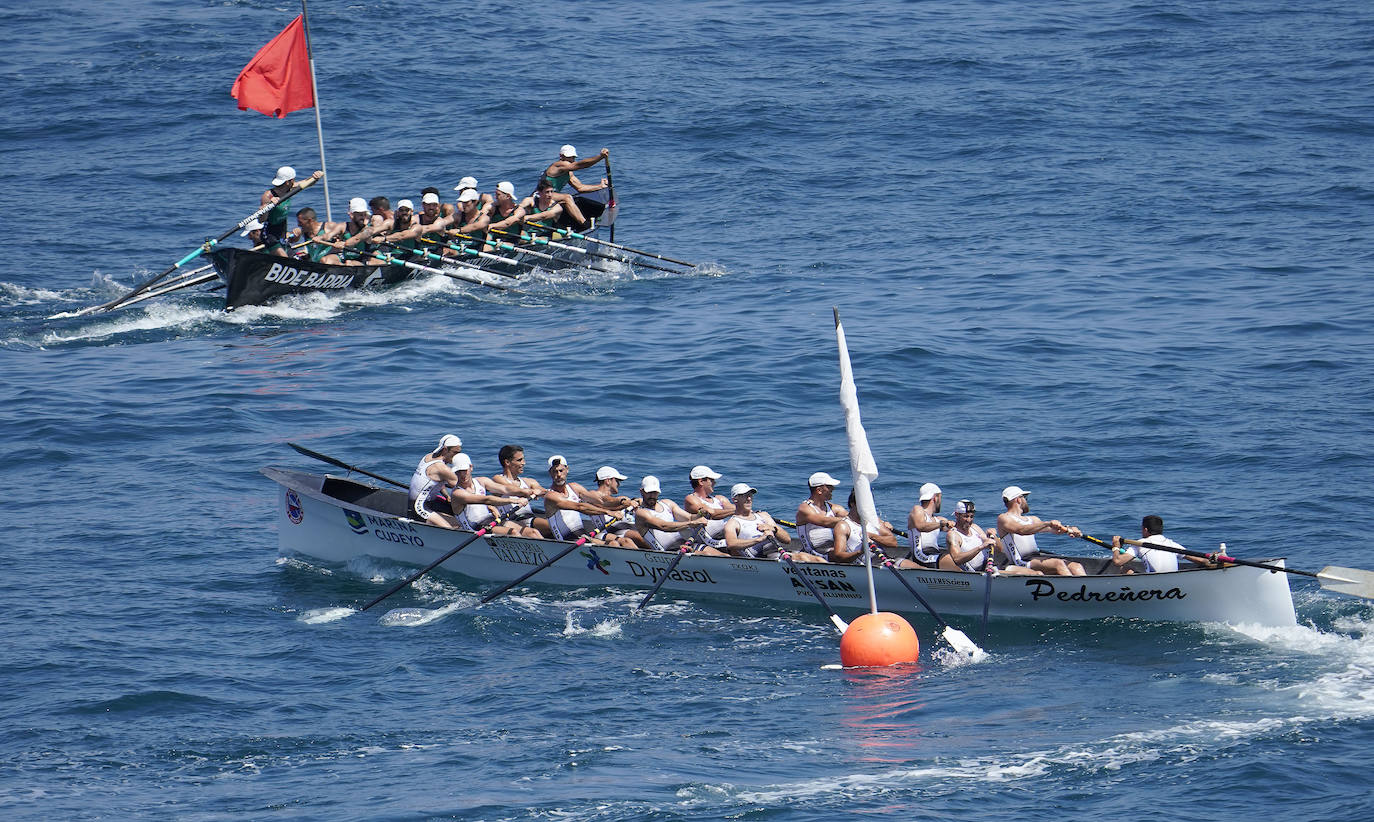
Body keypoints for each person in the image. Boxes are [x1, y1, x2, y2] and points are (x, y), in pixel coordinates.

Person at [543, 455, 633, 546]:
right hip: (565, 541)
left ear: (567, 470)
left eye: (561, 470)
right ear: (550, 473)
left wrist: (622, 503)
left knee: (615, 543)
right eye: (554, 471)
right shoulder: (551, 496)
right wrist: (608, 512)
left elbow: (600, 501)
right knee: (613, 545)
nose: (558, 475)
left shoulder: (574, 487)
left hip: (582, 537)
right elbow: (579, 507)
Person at [996, 486, 1087, 576]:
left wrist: (1069, 529)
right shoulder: (1004, 518)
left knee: (1075, 566)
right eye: (1025, 497)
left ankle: (1087, 587)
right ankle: (1073, 588)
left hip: (1036, 557)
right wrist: (1047, 523)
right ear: (1018, 499)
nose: (1026, 501)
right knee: (1057, 563)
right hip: (1020, 561)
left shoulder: (1032, 519)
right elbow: (1021, 530)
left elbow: (1054, 530)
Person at [446, 453, 536, 536]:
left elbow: (504, 489)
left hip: (491, 521)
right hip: (475, 529)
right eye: (458, 471)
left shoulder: (482, 481)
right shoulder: (457, 493)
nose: (462, 475)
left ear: (471, 467)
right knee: (513, 532)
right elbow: (486, 499)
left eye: (464, 470)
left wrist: (529, 491)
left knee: (532, 532)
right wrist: (515, 500)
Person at [944, 499, 1039, 574]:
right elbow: (957, 559)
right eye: (965, 516)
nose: (969, 520)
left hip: (991, 566)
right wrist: (981, 547)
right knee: (1023, 574)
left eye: (971, 516)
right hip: (979, 573)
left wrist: (993, 536)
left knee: (1036, 573)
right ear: (957, 515)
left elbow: (1000, 549)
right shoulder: (953, 535)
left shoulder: (975, 528)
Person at [632, 476, 713, 553]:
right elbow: (664, 526)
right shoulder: (641, 513)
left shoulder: (667, 503)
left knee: (720, 555)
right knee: (707, 555)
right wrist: (691, 524)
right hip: (668, 552)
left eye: (655, 492)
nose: (652, 496)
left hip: (684, 545)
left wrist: (700, 514)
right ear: (642, 492)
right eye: (649, 493)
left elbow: (689, 518)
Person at [1110, 515, 1213, 573]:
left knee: (1124, 568)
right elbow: (1201, 560)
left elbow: (1118, 561)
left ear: (1145, 530)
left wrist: (1116, 547)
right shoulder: (1172, 544)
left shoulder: (1140, 544)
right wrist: (1213, 559)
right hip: (1174, 583)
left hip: (1153, 586)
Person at [538, 145, 609, 228]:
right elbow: (581, 165)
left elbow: (580, 188)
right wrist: (600, 157)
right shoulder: (557, 166)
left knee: (578, 200)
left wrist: (600, 186)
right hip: (541, 196)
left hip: (551, 197)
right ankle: (584, 224)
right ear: (561, 156)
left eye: (572, 157)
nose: (571, 160)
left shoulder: (568, 173)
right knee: (567, 197)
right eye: (568, 157)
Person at [488, 444, 551, 536]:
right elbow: (510, 489)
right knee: (545, 528)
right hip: (512, 519)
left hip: (528, 517)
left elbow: (544, 491)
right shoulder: (498, 479)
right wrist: (529, 492)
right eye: (519, 460)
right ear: (507, 462)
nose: (523, 463)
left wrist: (543, 492)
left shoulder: (528, 481)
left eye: (523, 459)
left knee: (553, 525)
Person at [258, 166, 320, 256]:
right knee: (285, 258)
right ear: (288, 182)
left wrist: (316, 177)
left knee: (294, 259)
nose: (294, 182)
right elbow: (261, 220)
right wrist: (267, 207)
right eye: (293, 180)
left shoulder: (290, 190)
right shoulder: (268, 196)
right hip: (269, 234)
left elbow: (308, 183)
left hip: (282, 233)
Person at [792, 472, 849, 563]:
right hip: (814, 553)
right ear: (819, 490)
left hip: (831, 550)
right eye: (829, 487)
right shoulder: (804, 509)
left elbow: (851, 516)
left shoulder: (834, 508)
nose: (833, 489)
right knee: (844, 555)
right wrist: (850, 521)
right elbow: (825, 522)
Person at [842, 491, 911, 566]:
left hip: (884, 561)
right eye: (864, 504)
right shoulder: (843, 526)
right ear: (852, 504)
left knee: (906, 563)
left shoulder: (874, 521)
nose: (867, 507)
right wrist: (860, 552)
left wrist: (872, 536)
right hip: (864, 564)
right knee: (904, 564)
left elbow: (893, 543)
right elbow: (838, 557)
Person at [723, 483, 791, 558]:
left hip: (777, 551)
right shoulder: (732, 523)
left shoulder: (763, 516)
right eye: (744, 496)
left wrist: (774, 529)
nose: (749, 499)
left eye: (750, 495)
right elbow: (731, 544)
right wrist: (759, 539)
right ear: (735, 499)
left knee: (803, 556)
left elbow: (787, 539)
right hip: (762, 557)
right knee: (801, 557)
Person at [407, 434, 462, 528]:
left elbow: (438, 481)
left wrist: (447, 496)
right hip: (419, 508)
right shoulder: (442, 468)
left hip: (421, 502)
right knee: (453, 527)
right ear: (445, 449)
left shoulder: (428, 456)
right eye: (455, 453)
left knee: (457, 515)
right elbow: (464, 488)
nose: (457, 457)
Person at [581, 465, 643, 546]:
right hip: (605, 531)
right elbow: (605, 502)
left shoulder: (613, 501)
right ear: (608, 481)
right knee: (636, 537)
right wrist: (624, 502)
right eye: (617, 481)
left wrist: (636, 502)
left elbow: (613, 504)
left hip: (619, 529)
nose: (619, 484)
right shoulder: (593, 495)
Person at [682, 465, 735, 547]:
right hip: (703, 543)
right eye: (711, 480)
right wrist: (738, 510)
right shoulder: (691, 499)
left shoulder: (720, 499)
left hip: (720, 539)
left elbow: (737, 509)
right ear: (701, 482)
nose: (715, 482)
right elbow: (712, 513)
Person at [906, 482, 953, 568]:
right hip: (921, 555)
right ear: (935, 498)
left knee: (956, 557)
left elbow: (952, 528)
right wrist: (942, 524)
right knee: (948, 559)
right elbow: (921, 526)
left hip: (934, 554)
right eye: (940, 497)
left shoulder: (937, 519)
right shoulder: (918, 510)